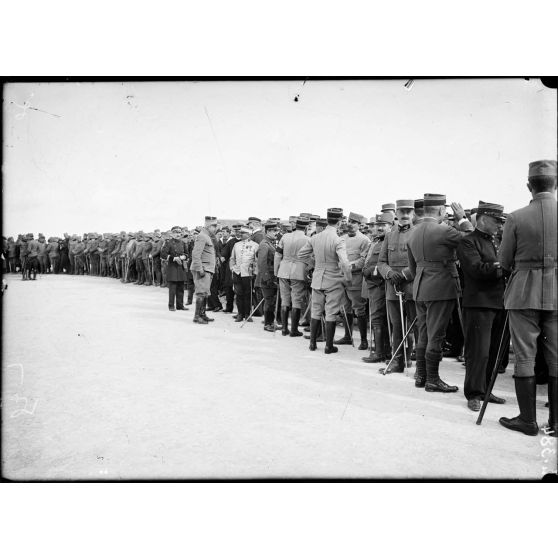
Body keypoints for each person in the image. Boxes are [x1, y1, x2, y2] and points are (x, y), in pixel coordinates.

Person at [498, 159, 557, 437]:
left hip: (523, 293)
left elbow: (505, 260)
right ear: (556, 184)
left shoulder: (516, 217)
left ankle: (528, 420)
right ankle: (555, 424)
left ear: (528, 186)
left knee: (525, 357)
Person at [406, 194, 473, 392]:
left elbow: (412, 268)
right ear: (442, 211)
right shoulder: (445, 231)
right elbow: (471, 239)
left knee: (424, 333)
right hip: (441, 288)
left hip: (420, 287)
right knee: (436, 335)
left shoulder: (413, 233)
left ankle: (421, 376)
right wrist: (462, 219)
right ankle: (433, 380)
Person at [457, 201, 508, 411]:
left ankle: (486, 390)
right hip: (478, 304)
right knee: (478, 352)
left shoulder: (498, 241)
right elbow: (477, 270)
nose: (499, 225)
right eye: (496, 221)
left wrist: (497, 266)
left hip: (500, 303)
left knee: (494, 352)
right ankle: (474, 393)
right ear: (484, 219)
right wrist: (501, 266)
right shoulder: (468, 242)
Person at [298, 208, 352, 354]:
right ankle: (328, 346)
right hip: (333, 279)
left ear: (328, 220)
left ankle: (313, 343)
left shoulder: (315, 237)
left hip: (317, 278)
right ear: (339, 222)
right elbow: (345, 263)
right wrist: (348, 278)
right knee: (331, 312)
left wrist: (315, 264)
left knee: (316, 311)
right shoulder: (338, 239)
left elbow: (301, 255)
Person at [378, 200, 417, 373]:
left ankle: (411, 360)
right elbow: (381, 262)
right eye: (402, 210)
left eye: (409, 210)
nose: (405, 214)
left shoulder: (418, 233)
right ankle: (397, 361)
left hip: (411, 287)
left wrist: (404, 275)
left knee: (414, 326)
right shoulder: (389, 235)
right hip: (392, 288)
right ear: (397, 213)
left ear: (413, 213)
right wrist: (388, 273)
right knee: (396, 325)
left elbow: (419, 261)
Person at [335, 212, 371, 350]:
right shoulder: (341, 238)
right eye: (349, 221)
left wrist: (350, 265)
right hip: (342, 278)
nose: (350, 224)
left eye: (354, 222)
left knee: (359, 310)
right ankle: (347, 336)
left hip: (355, 279)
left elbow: (363, 260)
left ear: (359, 225)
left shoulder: (365, 240)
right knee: (345, 308)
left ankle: (363, 340)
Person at [362, 213, 393, 363]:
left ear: (391, 226)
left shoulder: (389, 242)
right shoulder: (376, 241)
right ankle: (384, 351)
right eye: (378, 225)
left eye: (383, 225)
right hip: (373, 286)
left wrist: (371, 270)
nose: (379, 228)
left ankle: (379, 352)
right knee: (379, 318)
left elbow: (387, 263)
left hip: (380, 285)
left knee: (377, 318)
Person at [274, 217, 310, 336]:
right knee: (296, 300)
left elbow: (278, 255)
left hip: (283, 270)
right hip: (299, 271)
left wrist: (276, 271)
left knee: (285, 299)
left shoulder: (285, 237)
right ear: (305, 227)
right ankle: (294, 330)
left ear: (295, 225)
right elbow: (311, 258)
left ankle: (284, 329)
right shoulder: (307, 239)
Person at [190, 217, 218, 324]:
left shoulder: (207, 236)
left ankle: (202, 314)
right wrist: (200, 269)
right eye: (214, 226)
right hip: (203, 269)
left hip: (207, 269)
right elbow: (196, 255)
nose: (215, 229)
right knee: (201, 293)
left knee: (205, 293)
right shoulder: (202, 236)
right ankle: (197, 316)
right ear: (208, 226)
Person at [230, 225, 259, 322]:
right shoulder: (236, 245)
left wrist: (254, 271)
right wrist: (232, 268)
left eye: (243, 233)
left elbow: (257, 260)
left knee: (248, 294)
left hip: (248, 273)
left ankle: (247, 314)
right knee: (238, 294)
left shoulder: (255, 245)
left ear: (249, 234)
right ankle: (240, 314)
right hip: (237, 272)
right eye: (241, 233)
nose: (241, 235)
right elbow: (232, 258)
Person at [256, 221, 280, 331]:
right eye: (274, 231)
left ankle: (270, 322)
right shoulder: (264, 245)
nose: (276, 233)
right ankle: (267, 324)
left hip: (271, 278)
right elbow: (261, 263)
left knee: (271, 301)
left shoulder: (269, 244)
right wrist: (267, 278)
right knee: (269, 301)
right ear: (267, 231)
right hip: (267, 279)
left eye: (276, 230)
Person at [161, 226, 189, 312]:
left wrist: (184, 256)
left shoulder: (183, 243)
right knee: (172, 288)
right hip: (172, 267)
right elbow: (163, 255)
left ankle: (180, 305)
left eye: (179, 233)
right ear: (172, 234)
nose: (178, 234)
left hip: (181, 267)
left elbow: (187, 254)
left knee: (181, 287)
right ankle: (171, 306)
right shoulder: (168, 243)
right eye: (176, 232)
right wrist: (173, 258)